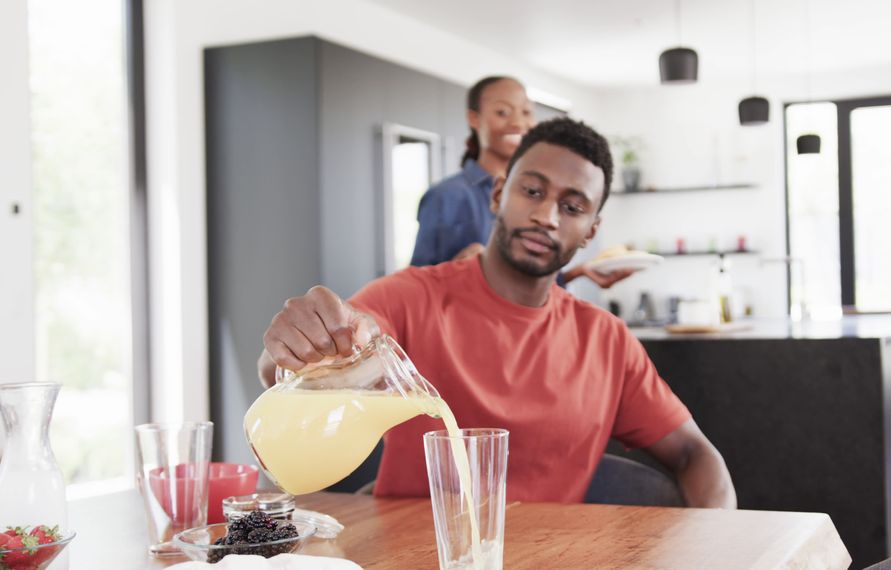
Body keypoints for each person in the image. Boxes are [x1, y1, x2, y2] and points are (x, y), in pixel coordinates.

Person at [258, 118, 736, 508]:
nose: (547, 216)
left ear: (591, 229)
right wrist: (305, 342)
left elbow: (695, 453)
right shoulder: (413, 296)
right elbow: (349, 335)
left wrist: (723, 547)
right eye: (532, 191)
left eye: (572, 206)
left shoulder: (606, 340)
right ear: (498, 193)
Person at [409, 76, 633, 288]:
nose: (518, 122)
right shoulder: (447, 196)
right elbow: (417, 285)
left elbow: (528, 289)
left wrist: (578, 273)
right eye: (503, 112)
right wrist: (458, 268)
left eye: (526, 112)